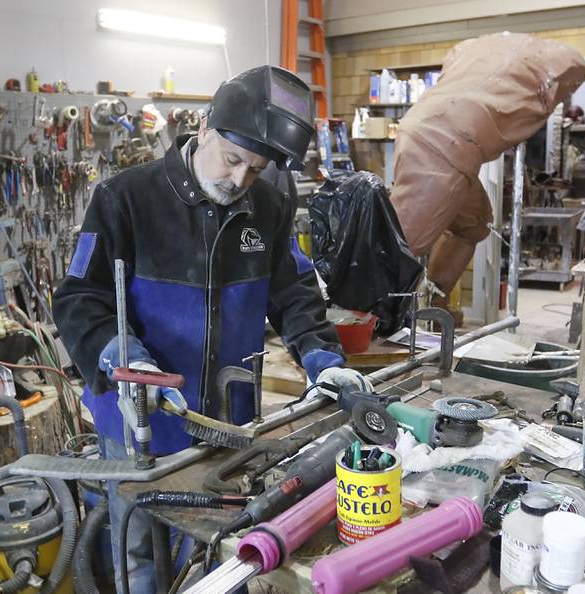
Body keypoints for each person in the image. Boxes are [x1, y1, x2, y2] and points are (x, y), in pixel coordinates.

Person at [53, 65, 370, 593]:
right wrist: (119, 351)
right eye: (233, 160)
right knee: (140, 554)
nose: (240, 180)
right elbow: (78, 298)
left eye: (256, 168)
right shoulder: (124, 199)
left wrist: (323, 359)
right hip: (140, 422)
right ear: (204, 127)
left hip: (231, 423)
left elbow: (294, 294)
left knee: (223, 554)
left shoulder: (268, 207)